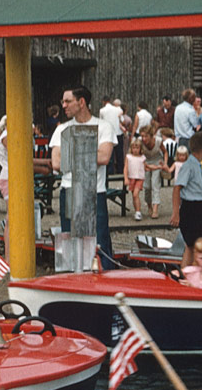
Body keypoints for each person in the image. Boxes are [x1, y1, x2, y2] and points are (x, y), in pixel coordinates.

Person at [49, 85, 117, 270]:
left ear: (82, 102)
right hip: (69, 189)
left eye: (68, 101)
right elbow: (56, 162)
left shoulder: (103, 126)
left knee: (98, 241)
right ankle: (75, 280)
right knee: (72, 240)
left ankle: (104, 282)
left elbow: (104, 157)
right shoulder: (62, 128)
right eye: (63, 101)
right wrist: (89, 152)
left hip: (94, 190)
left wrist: (70, 152)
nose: (63, 105)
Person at [170, 131, 202, 270]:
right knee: (193, 245)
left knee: (193, 245)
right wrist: (176, 213)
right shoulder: (189, 166)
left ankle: (187, 272)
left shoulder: (196, 165)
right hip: (191, 207)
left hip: (198, 206)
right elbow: (177, 188)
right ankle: (188, 273)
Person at [141, 124, 165, 218]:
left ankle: (155, 209)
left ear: (151, 136)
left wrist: (165, 163)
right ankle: (149, 205)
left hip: (156, 161)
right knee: (147, 186)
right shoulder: (140, 142)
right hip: (146, 162)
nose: (144, 138)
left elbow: (165, 152)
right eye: (142, 136)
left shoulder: (158, 141)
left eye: (146, 136)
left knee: (155, 184)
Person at [124, 137, 146, 221]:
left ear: (140, 149)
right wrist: (126, 178)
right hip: (132, 177)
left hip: (140, 178)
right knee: (134, 196)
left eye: (137, 148)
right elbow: (125, 168)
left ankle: (138, 212)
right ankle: (136, 210)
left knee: (135, 194)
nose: (135, 150)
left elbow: (145, 167)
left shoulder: (142, 157)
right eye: (134, 148)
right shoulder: (128, 157)